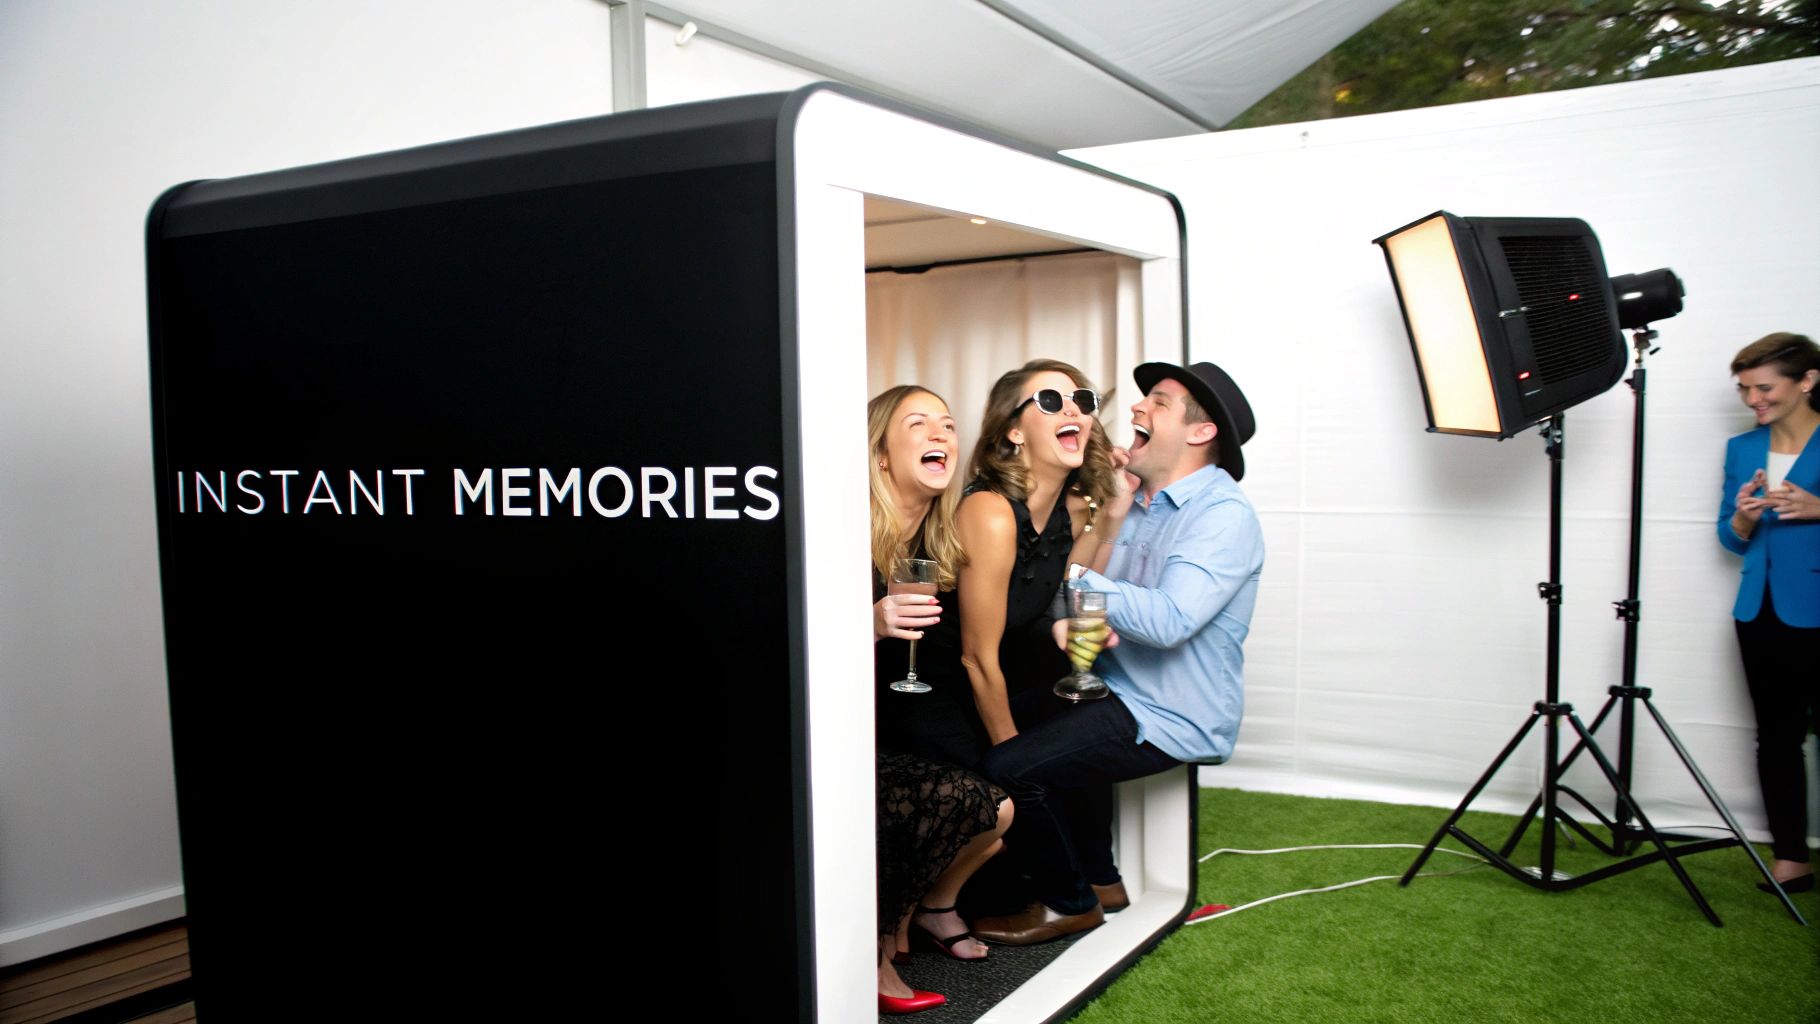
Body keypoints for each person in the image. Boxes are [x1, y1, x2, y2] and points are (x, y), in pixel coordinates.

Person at [971, 361, 1264, 944]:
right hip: (1115, 690)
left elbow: (1169, 620)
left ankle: (1068, 903)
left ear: (1201, 433)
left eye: (1156, 402)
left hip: (1167, 714)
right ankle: (1103, 881)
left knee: (1006, 769)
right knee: (991, 729)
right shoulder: (1136, 504)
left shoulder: (1222, 516)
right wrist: (1107, 527)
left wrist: (1083, 586)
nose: (1134, 410)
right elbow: (1071, 608)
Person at [867, 385, 1015, 1011]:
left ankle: (904, 919)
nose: (941, 436)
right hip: (826, 731)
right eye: (919, 424)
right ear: (880, 456)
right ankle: (871, 959)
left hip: (895, 717)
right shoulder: (833, 530)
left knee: (997, 814)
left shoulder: (937, 544)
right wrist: (869, 621)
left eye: (949, 426)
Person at [955, 360, 1121, 756]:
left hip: (1020, 686)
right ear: (1015, 431)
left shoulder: (1078, 509)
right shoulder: (989, 511)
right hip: (957, 693)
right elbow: (976, 658)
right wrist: (1014, 756)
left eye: (1081, 400)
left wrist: (1113, 513)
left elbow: (1073, 594)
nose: (1073, 410)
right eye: (1049, 400)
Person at [1716, 332, 1820, 895]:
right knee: (1776, 737)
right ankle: (1790, 857)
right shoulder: (1742, 450)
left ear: (1807, 381)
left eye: (1764, 386)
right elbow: (1729, 541)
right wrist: (1743, 520)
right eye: (1745, 389)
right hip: (1759, 612)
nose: (1754, 399)